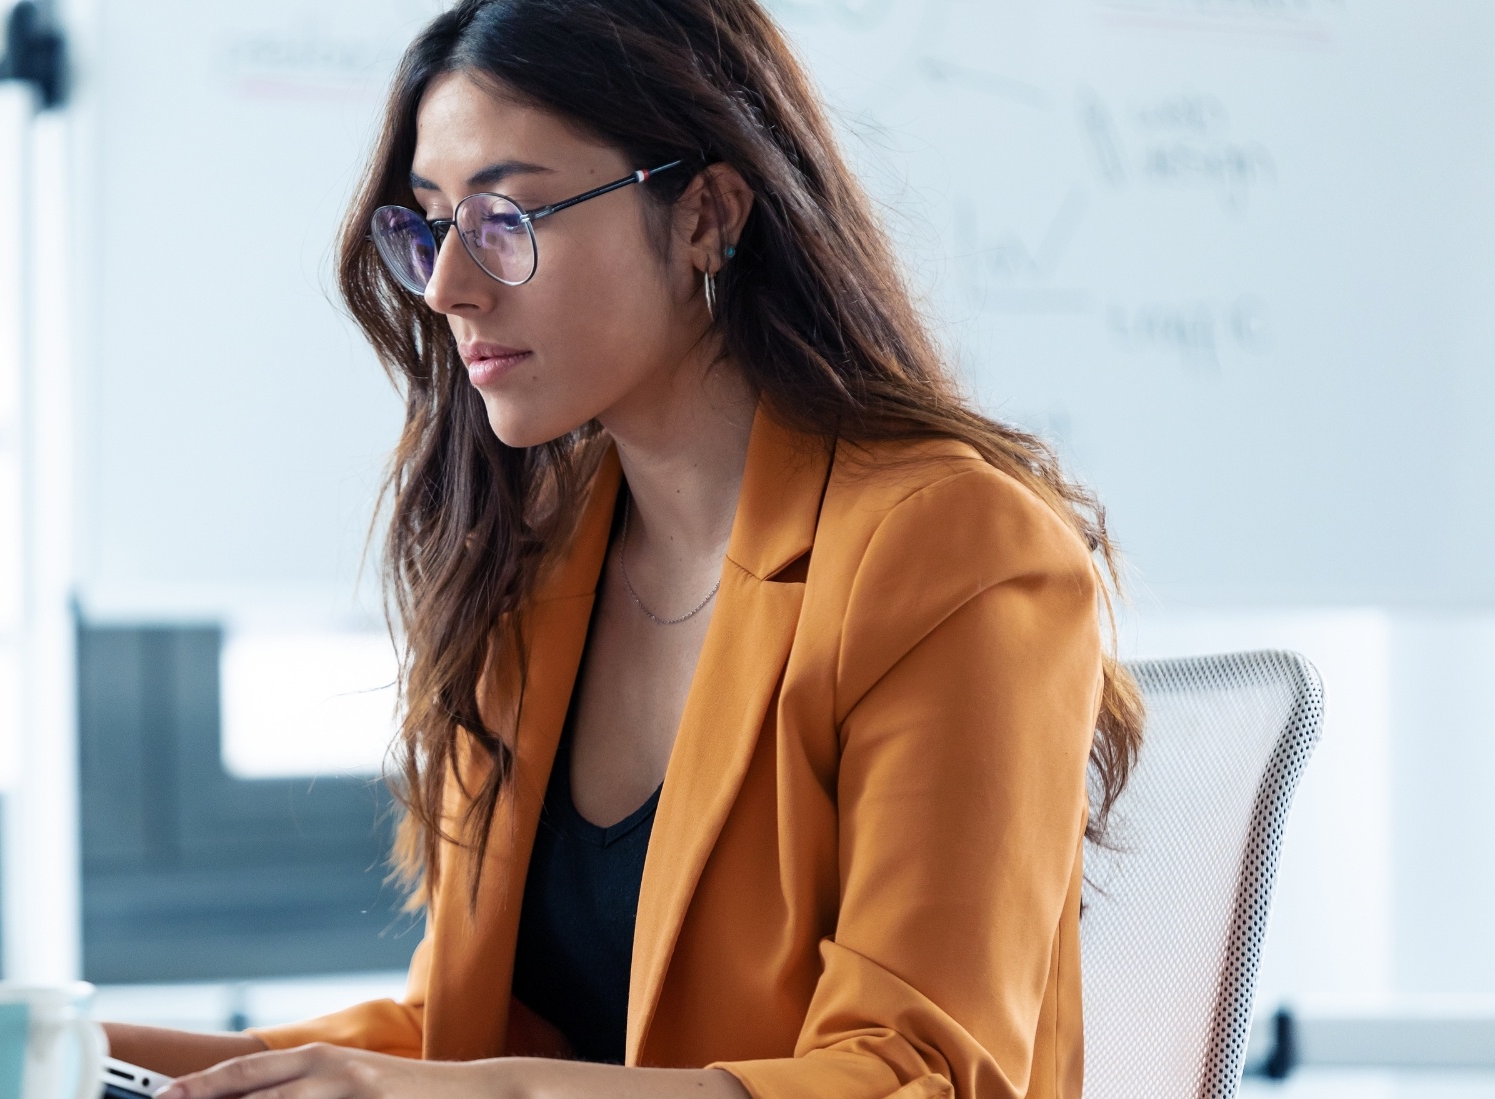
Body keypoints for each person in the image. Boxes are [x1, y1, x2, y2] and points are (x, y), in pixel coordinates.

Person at [105, 1, 1142, 1095]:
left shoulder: (955, 552)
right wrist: (52, 1055)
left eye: (508, 216)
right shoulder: (536, 562)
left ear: (706, 215)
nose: (450, 288)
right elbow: (464, 1035)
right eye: (428, 226)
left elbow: (918, 1074)